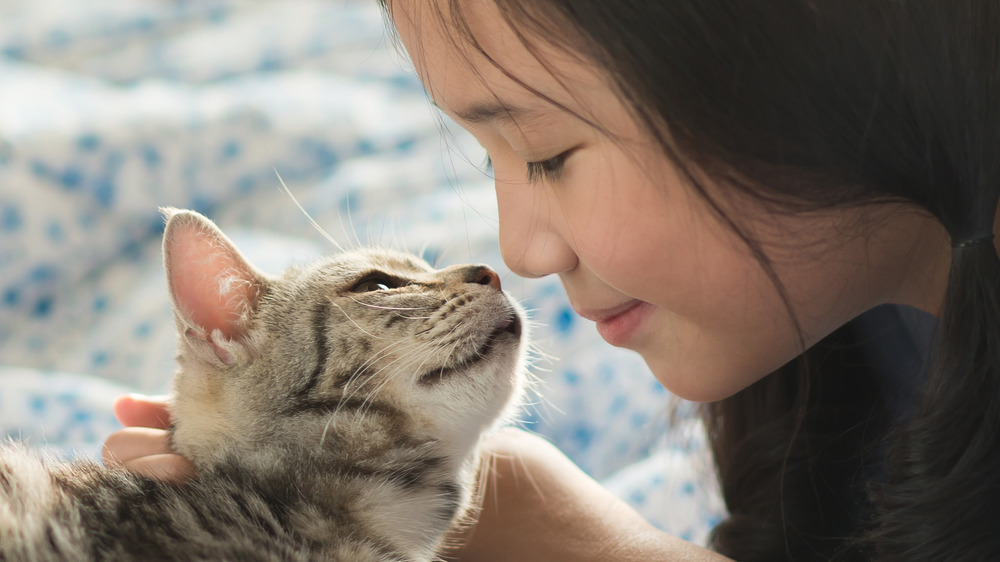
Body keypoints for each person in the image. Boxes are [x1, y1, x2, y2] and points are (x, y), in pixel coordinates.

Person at [103, 1, 1000, 560]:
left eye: (546, 153)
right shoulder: (843, 333)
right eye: (484, 155)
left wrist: (587, 540)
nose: (518, 252)